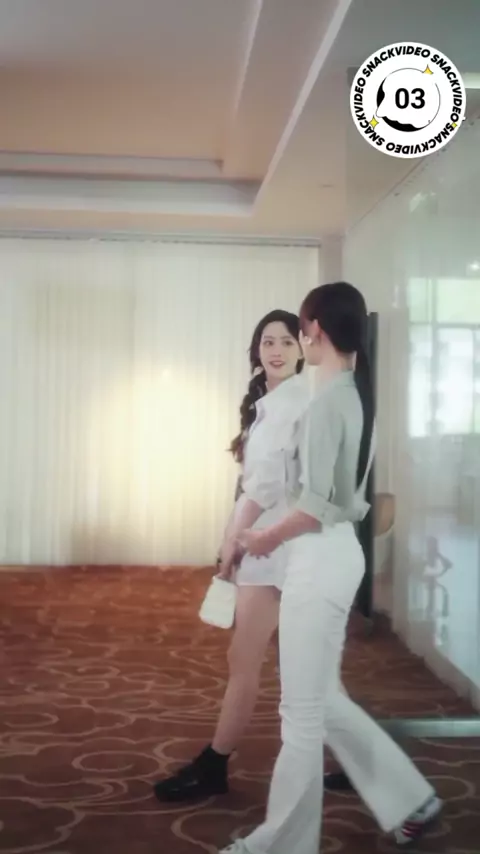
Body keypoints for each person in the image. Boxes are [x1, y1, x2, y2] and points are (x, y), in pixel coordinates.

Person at [219, 283, 442, 853]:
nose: (296, 339)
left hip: (319, 559)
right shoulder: (353, 393)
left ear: (315, 329)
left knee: (300, 714)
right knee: (323, 698)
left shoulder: (325, 403)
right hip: (336, 555)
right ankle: (410, 801)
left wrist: (261, 538)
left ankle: (280, 844)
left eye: (298, 329)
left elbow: (314, 507)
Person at [153, 309, 307, 802]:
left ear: (303, 349)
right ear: (256, 351)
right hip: (270, 545)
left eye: (286, 341)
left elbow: (263, 488)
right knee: (295, 667)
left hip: (277, 548)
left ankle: (214, 763)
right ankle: (363, 761)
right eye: (268, 342)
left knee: (250, 659)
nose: (276, 350)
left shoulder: (294, 404)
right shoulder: (271, 403)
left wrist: (231, 541)